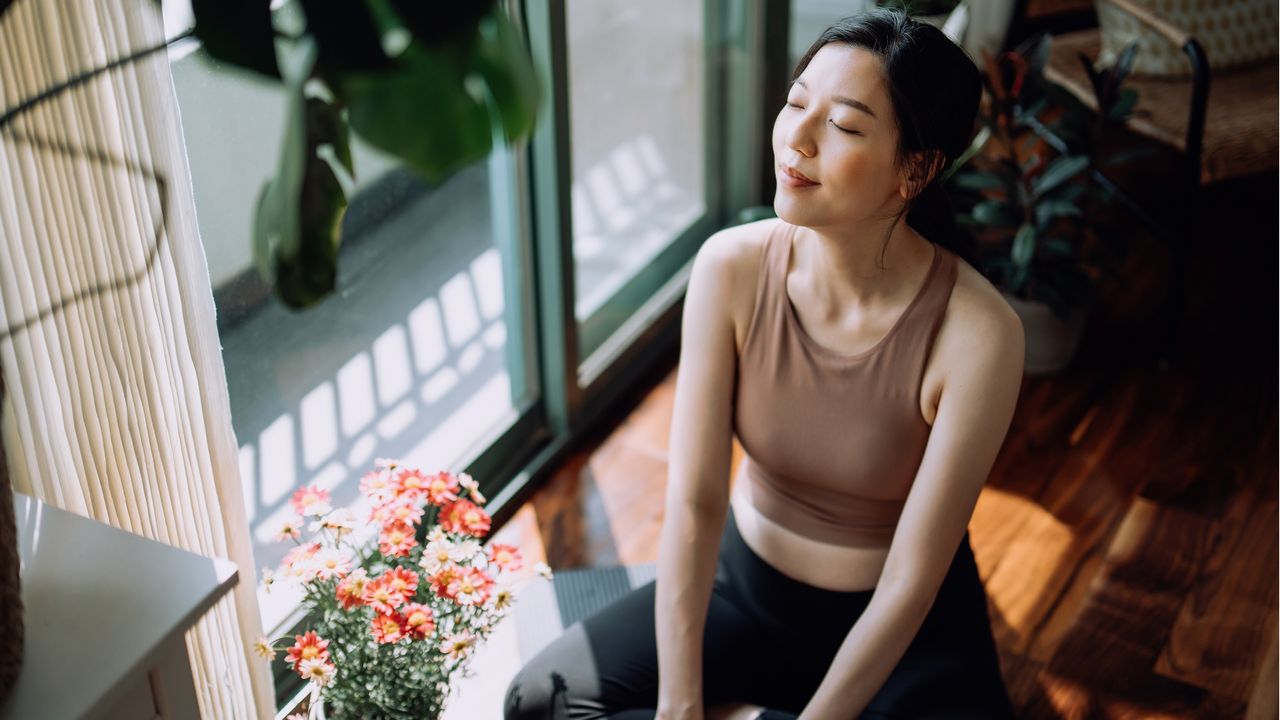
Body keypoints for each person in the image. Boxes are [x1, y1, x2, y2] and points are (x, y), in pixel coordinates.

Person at [504, 8, 1024, 719]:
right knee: (543, 703)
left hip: (904, 635)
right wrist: (680, 705)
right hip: (743, 594)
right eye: (796, 103)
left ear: (917, 170)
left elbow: (911, 579)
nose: (797, 140)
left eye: (842, 126)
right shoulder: (732, 265)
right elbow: (693, 500)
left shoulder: (979, 333)